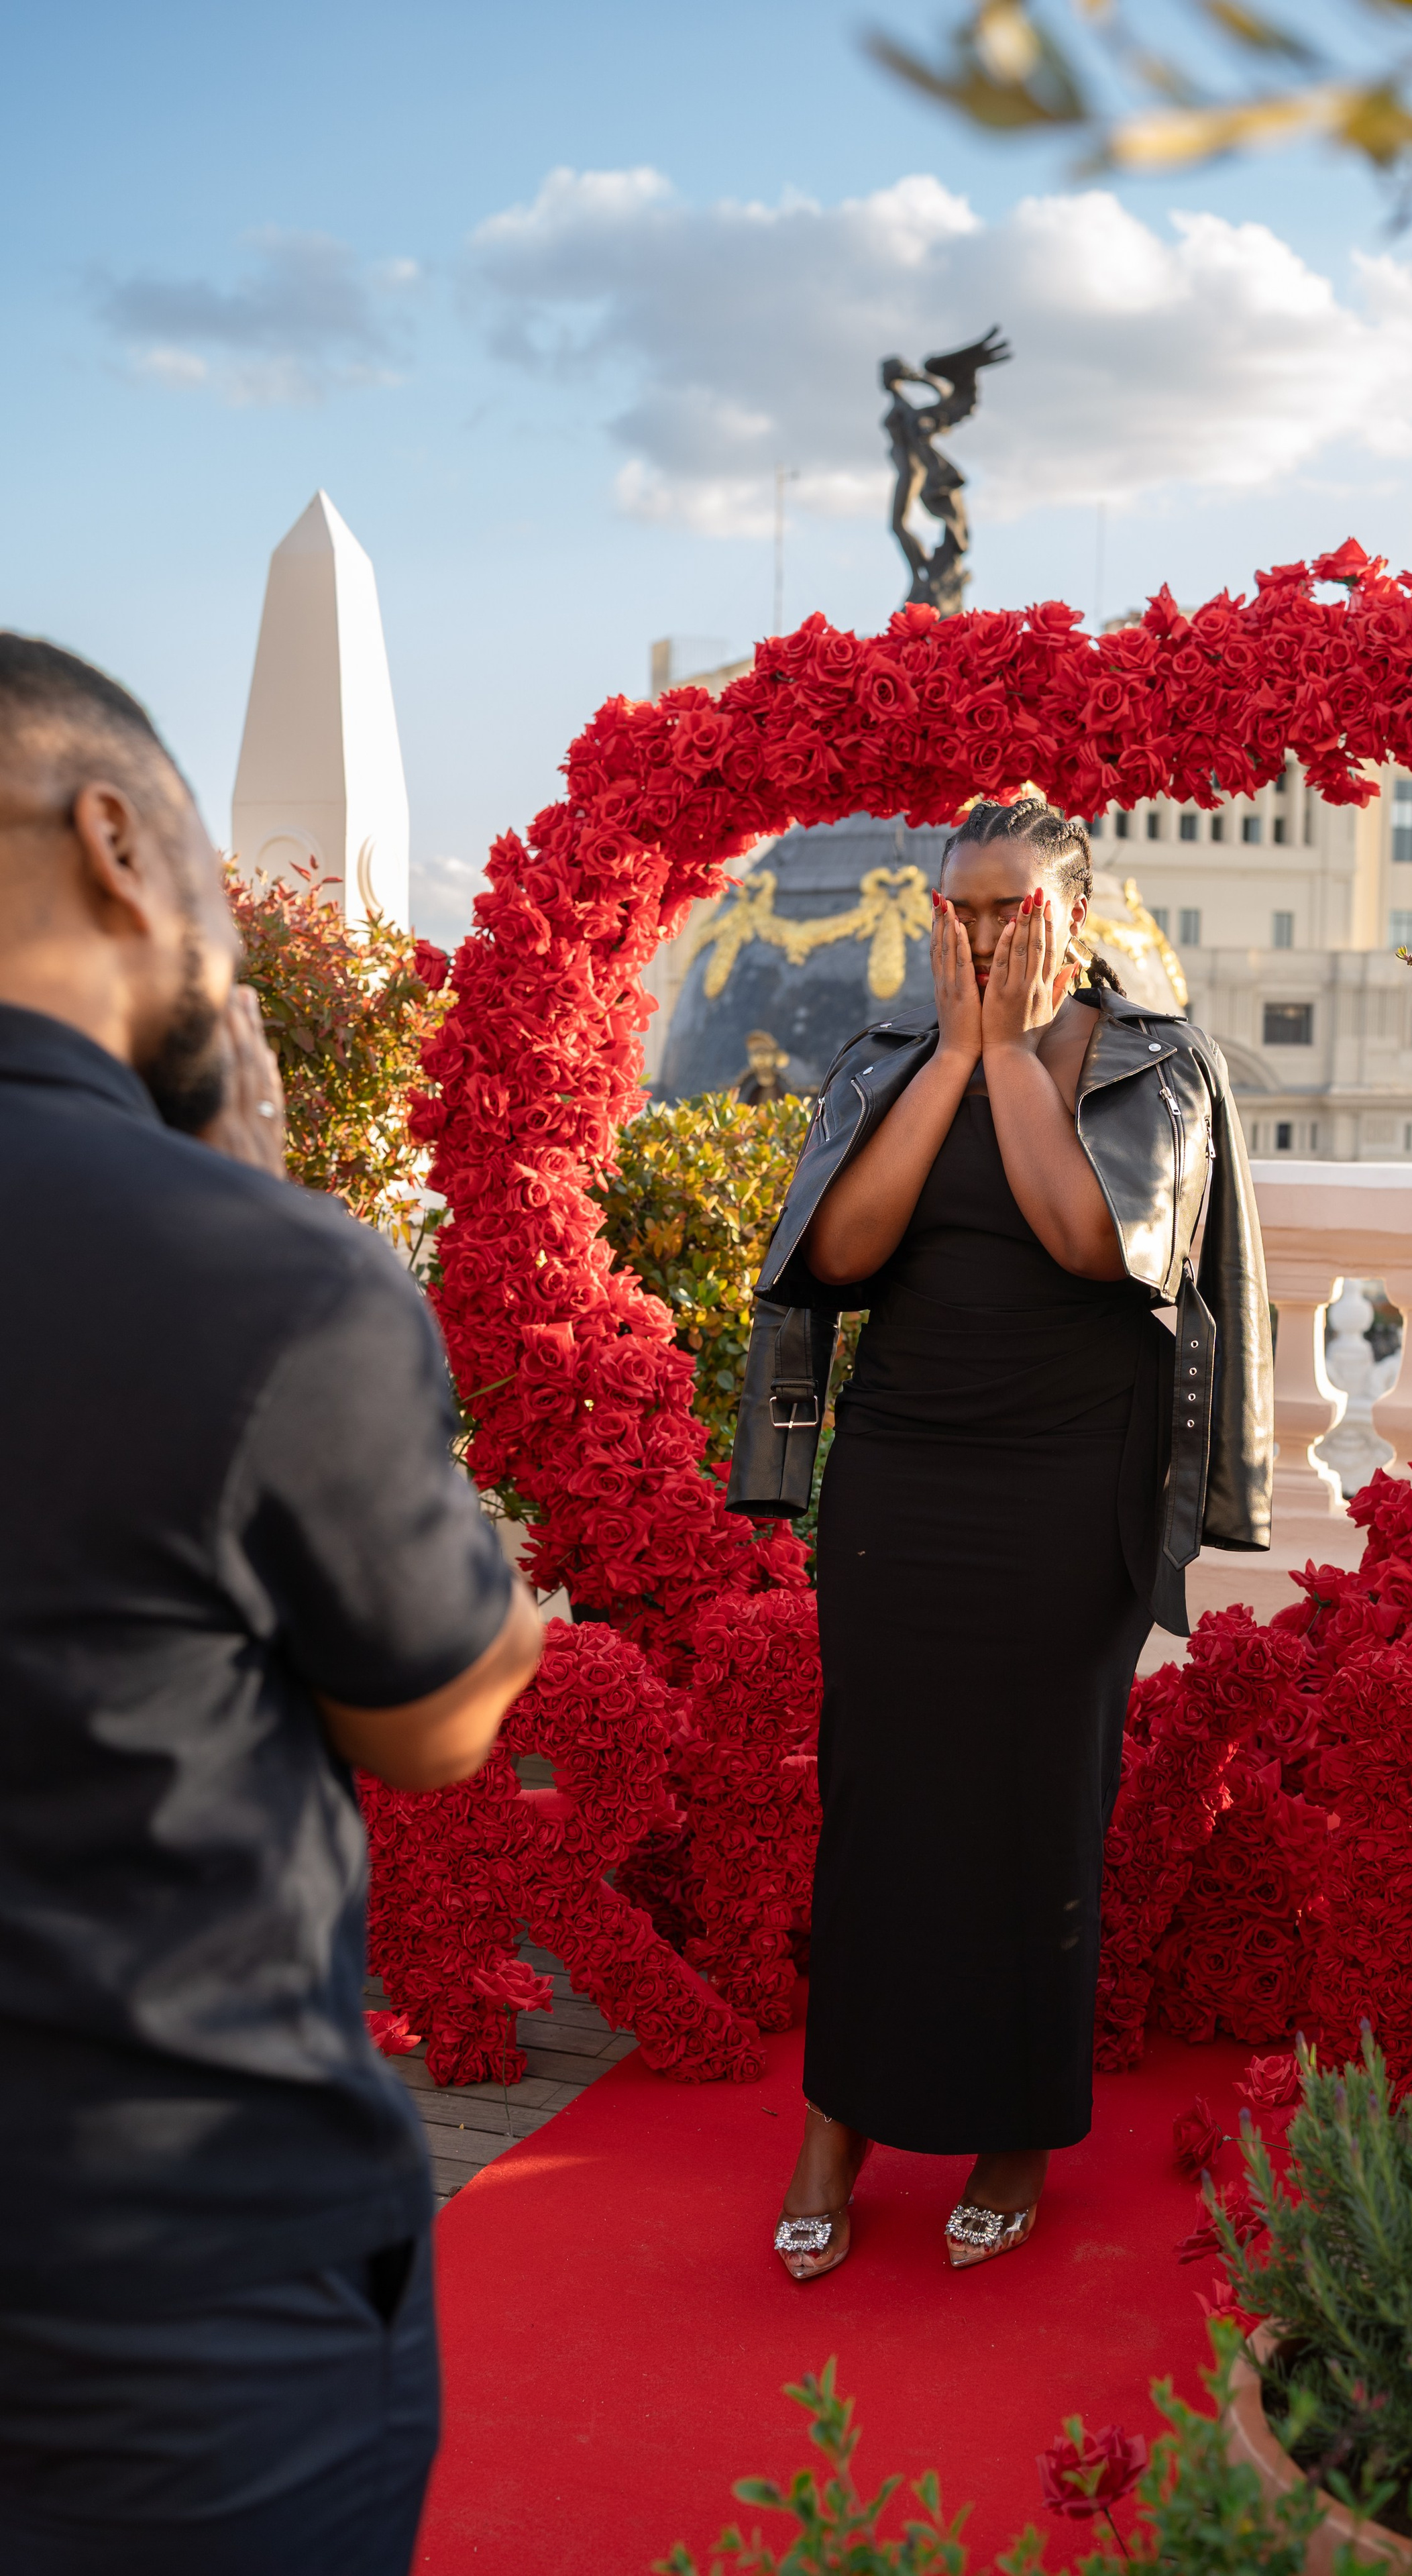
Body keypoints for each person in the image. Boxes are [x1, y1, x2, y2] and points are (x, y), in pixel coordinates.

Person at [0, 635, 543, 2575]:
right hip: (167, 2300)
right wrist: (276, 1222)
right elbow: (438, 1715)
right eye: (227, 894)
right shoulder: (263, 1281)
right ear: (119, 845)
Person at [727, 797, 1271, 2280]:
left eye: (1009, 910)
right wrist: (961, 1058)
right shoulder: (886, 1062)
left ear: (1073, 914)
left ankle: (1014, 2129)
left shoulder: (1155, 1061)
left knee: (1036, 1803)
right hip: (904, 1474)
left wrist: (1012, 1064)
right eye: (958, 910)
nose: (978, 938)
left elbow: (1094, 1243)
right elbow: (836, 1257)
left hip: (1066, 1481)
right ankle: (837, 2123)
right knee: (879, 1796)